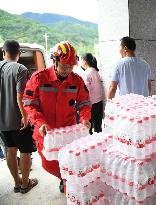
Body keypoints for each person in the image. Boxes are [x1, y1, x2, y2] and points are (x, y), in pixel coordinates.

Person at [23, 41, 91, 193]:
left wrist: (85, 117)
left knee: (71, 162)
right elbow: (29, 103)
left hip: (68, 131)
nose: (67, 70)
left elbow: (84, 102)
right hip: (45, 132)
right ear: (55, 61)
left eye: (70, 66)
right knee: (49, 163)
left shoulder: (76, 81)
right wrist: (40, 122)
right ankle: (63, 177)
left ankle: (68, 183)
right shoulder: (39, 78)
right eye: (64, 66)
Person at [0, 40, 37, 194]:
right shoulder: (20, 68)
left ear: (4, 52)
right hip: (17, 120)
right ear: (19, 54)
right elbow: (20, 95)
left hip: (1, 121)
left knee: (10, 150)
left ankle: (17, 183)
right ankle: (25, 184)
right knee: (25, 151)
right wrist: (25, 116)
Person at [81, 53, 104, 134]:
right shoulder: (95, 71)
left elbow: (86, 90)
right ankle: (101, 144)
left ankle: (91, 145)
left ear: (84, 61)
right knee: (98, 128)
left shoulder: (86, 72)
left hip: (91, 104)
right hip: (99, 103)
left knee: (88, 129)